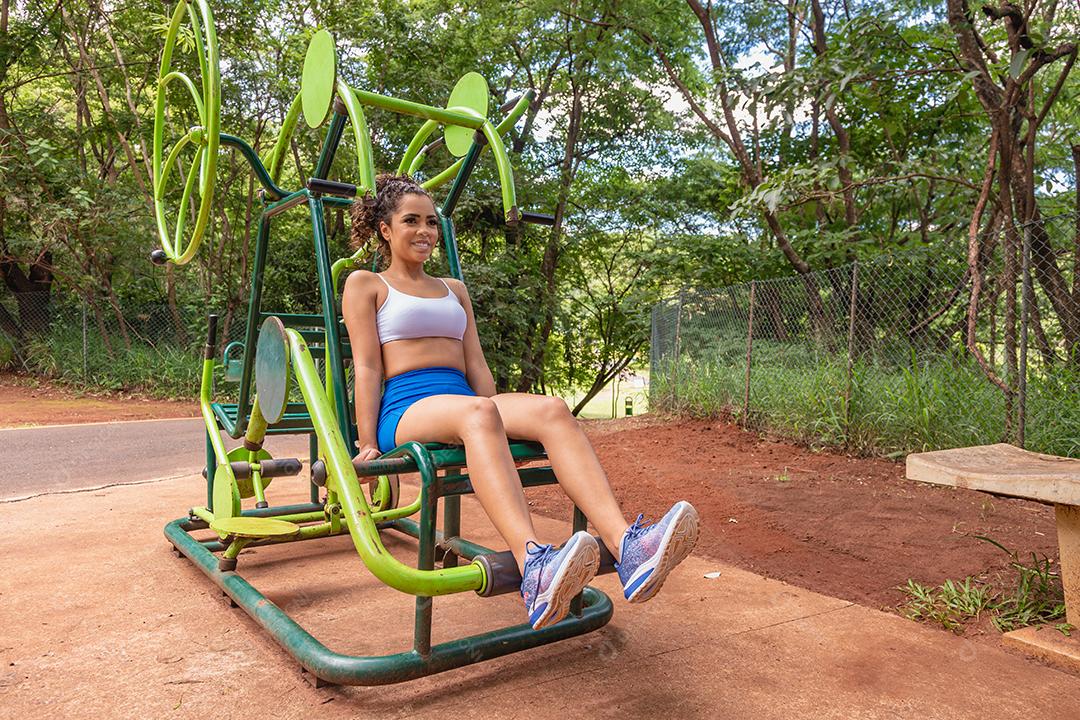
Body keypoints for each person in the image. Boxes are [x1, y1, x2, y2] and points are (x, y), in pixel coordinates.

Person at [342, 173, 699, 630]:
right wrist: (367, 442)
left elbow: (476, 363)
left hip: (465, 404)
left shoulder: (454, 289)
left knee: (552, 410)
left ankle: (627, 546)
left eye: (431, 221)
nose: (425, 230)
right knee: (478, 412)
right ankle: (534, 566)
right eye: (411, 220)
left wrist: (496, 425)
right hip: (407, 406)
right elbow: (367, 368)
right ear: (385, 229)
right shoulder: (366, 283)